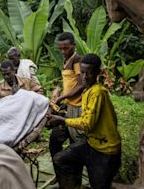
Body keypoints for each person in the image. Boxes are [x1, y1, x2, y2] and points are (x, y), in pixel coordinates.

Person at [48, 54, 122, 189]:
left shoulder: (97, 92)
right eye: (82, 72)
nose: (85, 76)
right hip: (92, 144)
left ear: (98, 74)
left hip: (106, 151)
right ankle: (75, 184)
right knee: (61, 159)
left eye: (90, 73)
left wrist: (62, 120)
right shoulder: (88, 91)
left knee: (99, 185)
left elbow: (87, 124)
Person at [49, 32, 85, 183]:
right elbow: (68, 82)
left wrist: (64, 96)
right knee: (54, 141)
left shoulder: (76, 60)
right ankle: (61, 175)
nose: (63, 51)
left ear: (73, 46)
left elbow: (82, 84)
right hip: (67, 107)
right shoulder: (65, 60)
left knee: (76, 143)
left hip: (78, 106)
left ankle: (75, 178)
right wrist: (60, 94)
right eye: (61, 48)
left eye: (66, 48)